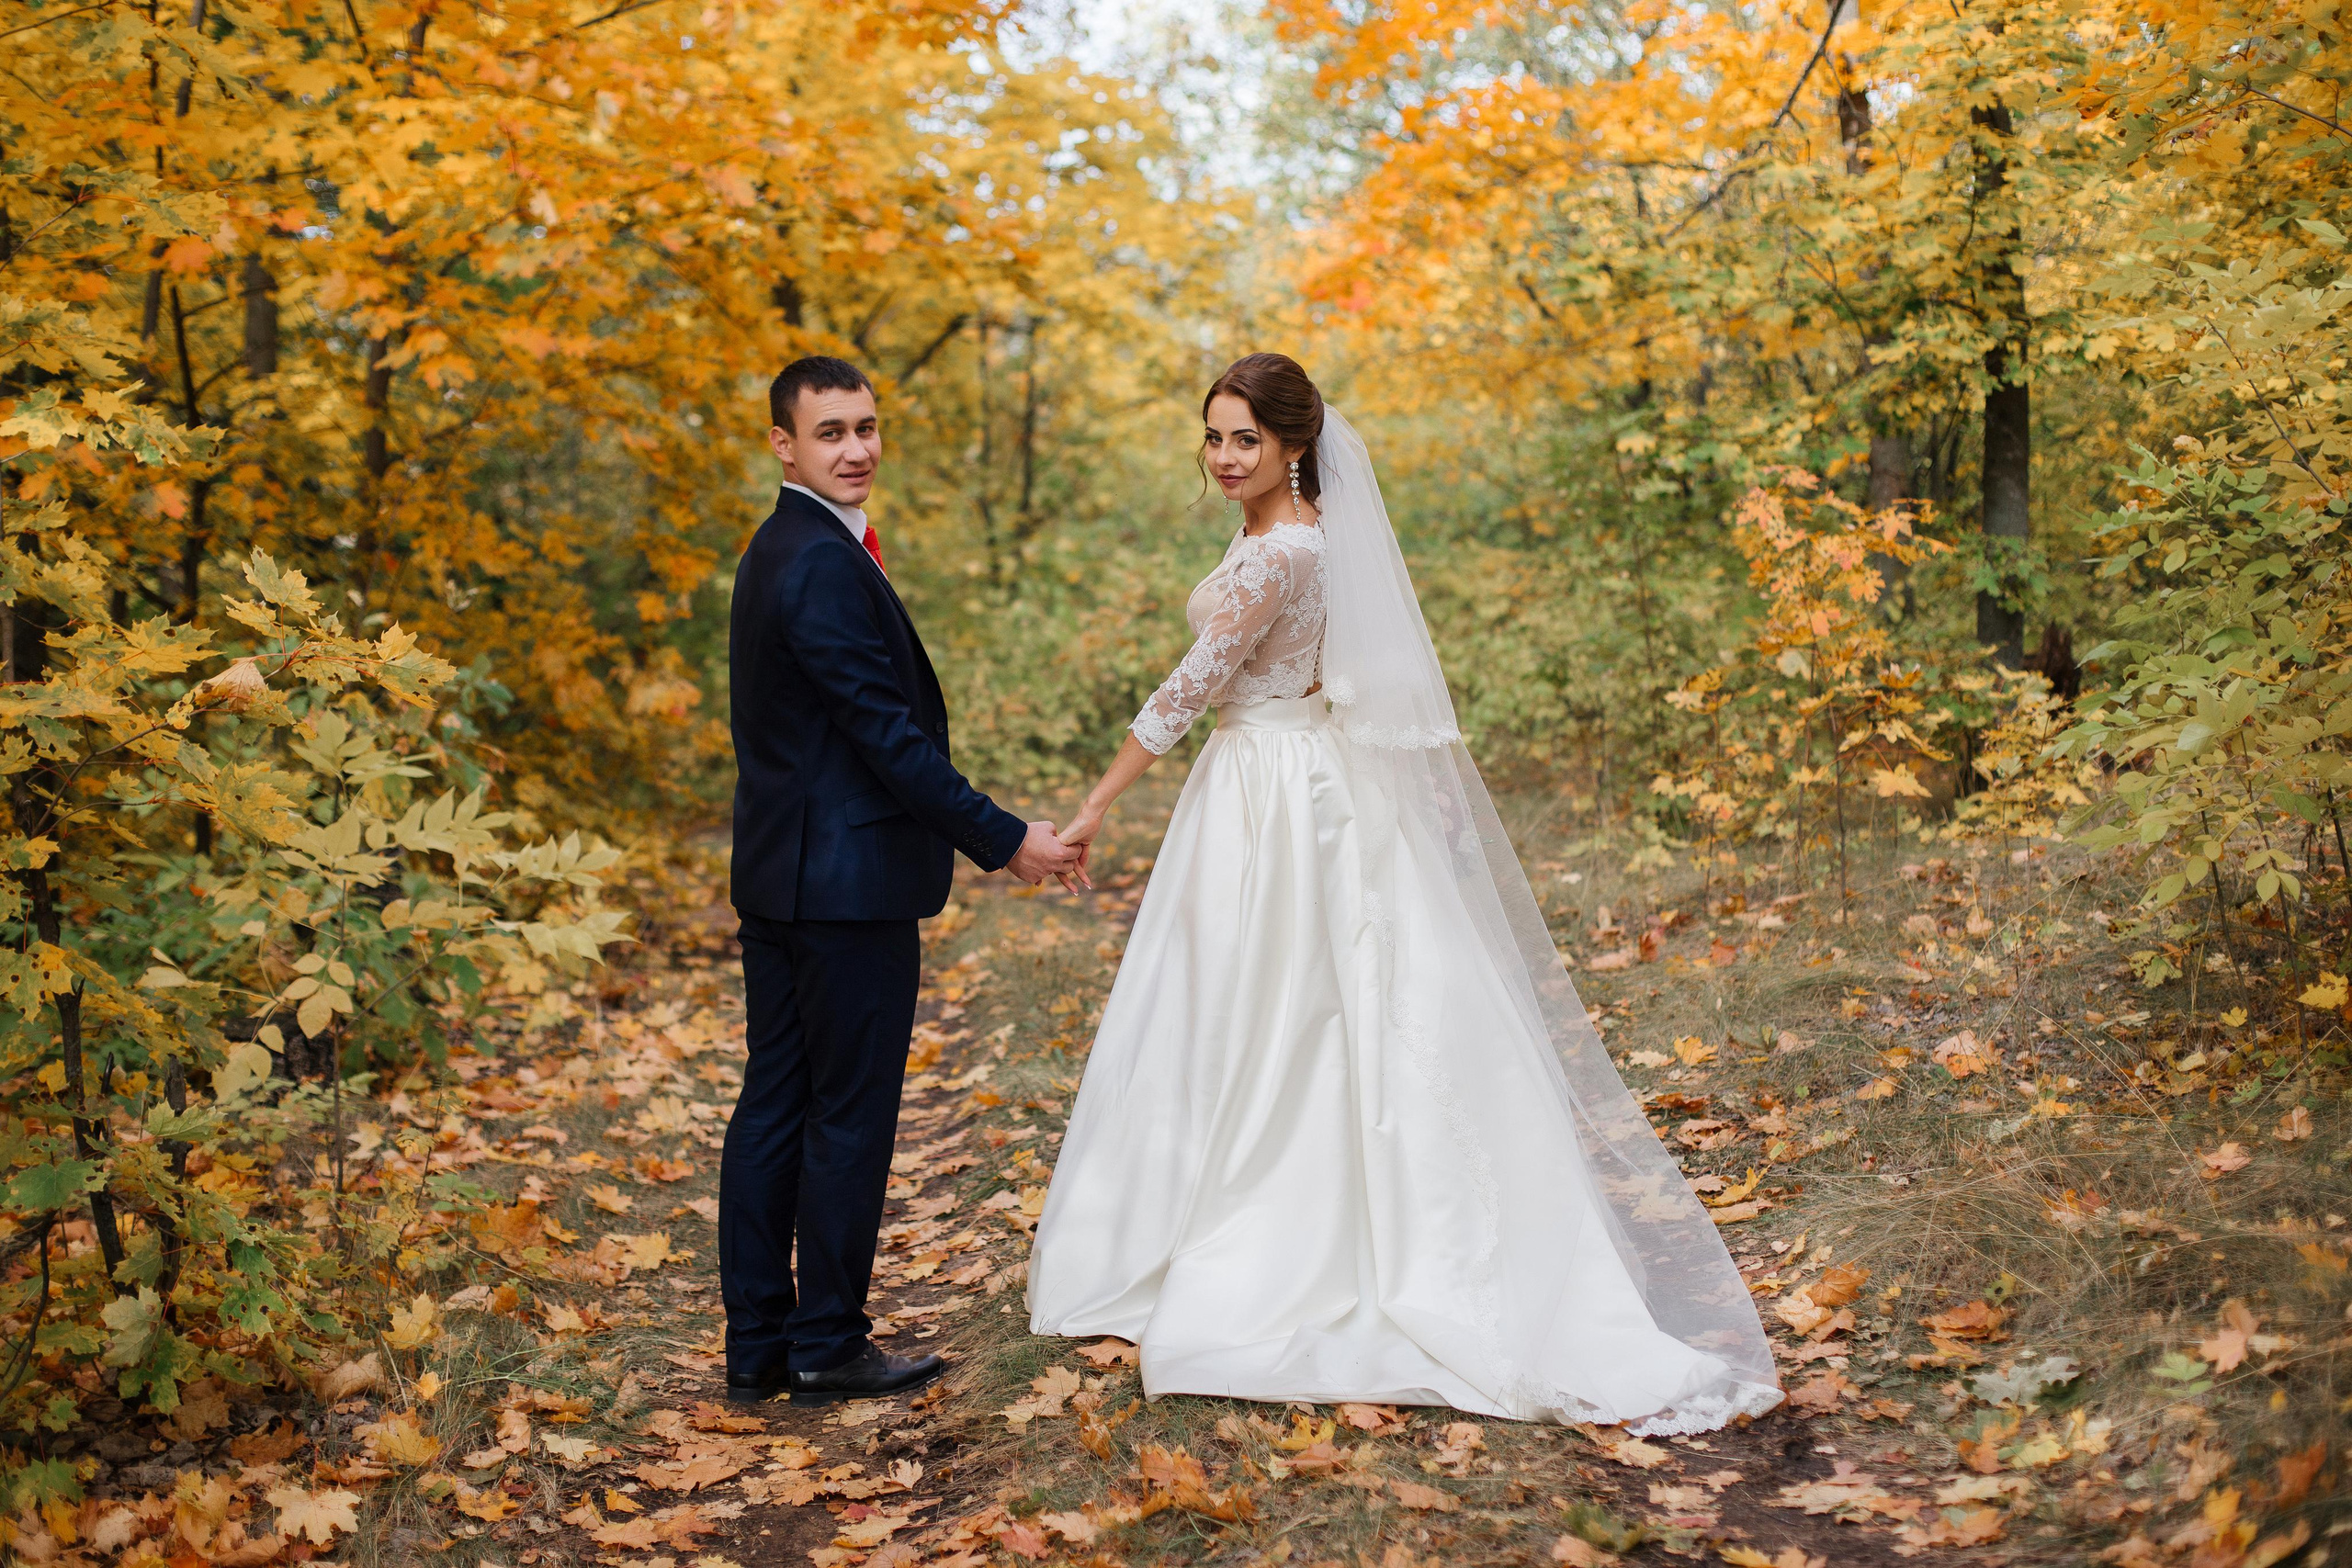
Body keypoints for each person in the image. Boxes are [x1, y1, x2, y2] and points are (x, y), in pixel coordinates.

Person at [1026, 354, 1782, 1432]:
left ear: (1296, 443)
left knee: (1268, 999)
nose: (1226, 457)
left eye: (1246, 438)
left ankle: (1273, 1236)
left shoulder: (1277, 555)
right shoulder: (1308, 537)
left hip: (1268, 786)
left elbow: (1186, 690)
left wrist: (1095, 804)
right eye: (1214, 437)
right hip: (1302, 777)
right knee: (1281, 996)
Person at [724, 355, 1080, 1406]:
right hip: (846, 891)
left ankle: (760, 1346)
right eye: (830, 432)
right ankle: (825, 1341)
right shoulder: (820, 561)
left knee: (775, 1107)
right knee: (844, 1116)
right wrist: (1007, 837)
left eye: (867, 427)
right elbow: (887, 738)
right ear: (783, 445)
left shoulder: (778, 546)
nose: (857, 448)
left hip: (782, 881)